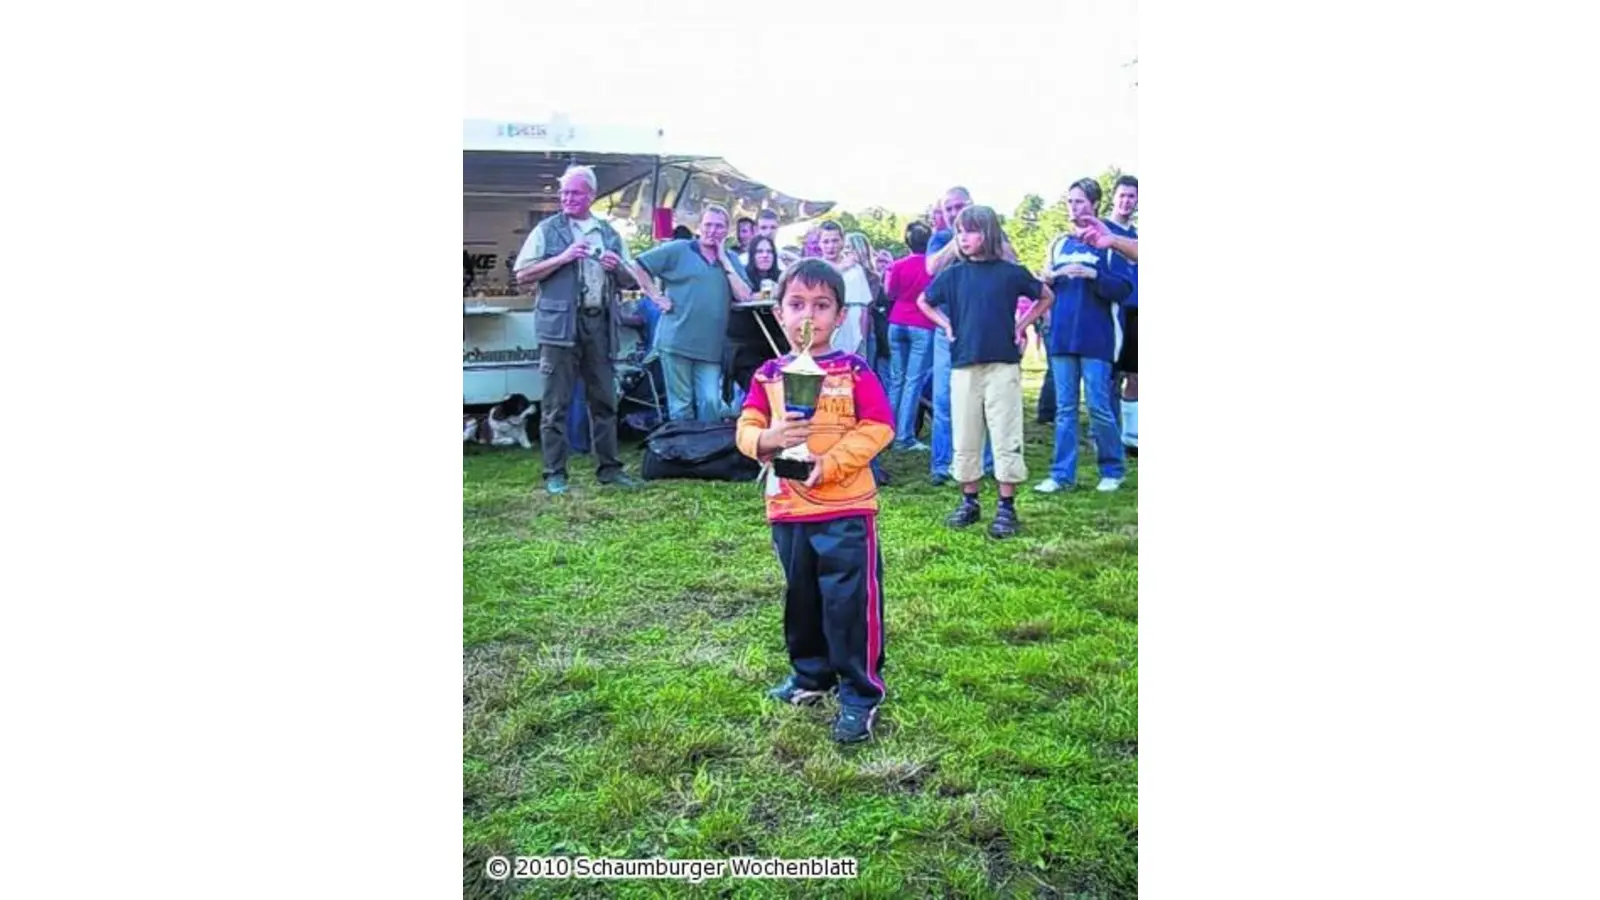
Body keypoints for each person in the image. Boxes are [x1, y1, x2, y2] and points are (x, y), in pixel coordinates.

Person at [734, 259, 895, 744]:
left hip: (845, 508)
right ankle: (810, 676)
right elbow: (744, 428)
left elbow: (879, 426)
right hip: (787, 507)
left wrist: (833, 463)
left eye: (821, 306)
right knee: (801, 596)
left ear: (840, 315)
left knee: (848, 600)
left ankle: (859, 691)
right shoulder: (768, 374)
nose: (809, 316)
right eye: (797, 304)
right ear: (779, 313)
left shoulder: (853, 370)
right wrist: (768, 438)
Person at [918, 205, 1051, 538]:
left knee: (1006, 433)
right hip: (964, 366)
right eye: (959, 231)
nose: (963, 237)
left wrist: (1021, 325)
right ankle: (970, 500)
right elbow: (924, 301)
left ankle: (1006, 507)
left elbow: (1045, 295)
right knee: (965, 434)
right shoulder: (952, 275)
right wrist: (947, 325)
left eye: (971, 231)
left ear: (988, 233)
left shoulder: (1010, 273)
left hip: (1002, 364)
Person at [511, 164, 644, 495]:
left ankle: (609, 468)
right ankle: (555, 472)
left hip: (599, 324)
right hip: (559, 326)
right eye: (564, 192)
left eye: (574, 192)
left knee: (604, 401)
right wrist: (563, 257)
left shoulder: (608, 233)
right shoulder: (547, 230)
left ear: (591, 196)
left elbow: (633, 280)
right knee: (556, 403)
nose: (567, 198)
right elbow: (522, 274)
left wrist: (619, 269)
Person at [1034, 178, 1133, 494]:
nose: (1073, 208)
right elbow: (1045, 286)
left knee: (1098, 405)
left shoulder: (1107, 241)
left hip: (1097, 336)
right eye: (1069, 202)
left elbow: (1124, 288)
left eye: (1079, 202)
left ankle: (1112, 469)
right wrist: (1048, 278)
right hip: (1062, 336)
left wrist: (1094, 275)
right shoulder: (1059, 243)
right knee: (1064, 408)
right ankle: (1062, 474)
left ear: (1094, 205)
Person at [631, 204, 753, 422]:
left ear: (727, 231)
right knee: (681, 406)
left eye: (718, 226)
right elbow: (639, 265)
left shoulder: (732, 260)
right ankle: (683, 453)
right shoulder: (679, 249)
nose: (712, 231)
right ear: (698, 227)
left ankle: (708, 452)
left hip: (711, 348)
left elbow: (745, 295)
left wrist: (724, 259)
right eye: (708, 225)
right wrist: (656, 296)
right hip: (676, 340)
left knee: (711, 402)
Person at [923, 186, 1000, 485]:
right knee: (943, 399)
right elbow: (931, 268)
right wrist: (958, 242)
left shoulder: (993, 233)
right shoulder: (941, 237)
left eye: (958, 207)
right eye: (948, 209)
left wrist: (982, 239)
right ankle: (943, 464)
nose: (953, 213)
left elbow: (1011, 261)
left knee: (986, 398)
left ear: (971, 205)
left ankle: (988, 461)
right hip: (947, 329)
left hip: (984, 329)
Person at [884, 221, 936, 451]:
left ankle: (888, 432)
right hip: (922, 324)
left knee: (896, 380)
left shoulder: (898, 265)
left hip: (896, 322)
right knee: (913, 382)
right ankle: (904, 436)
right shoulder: (932, 266)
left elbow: (890, 293)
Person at [726, 234, 784, 393]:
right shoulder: (742, 278)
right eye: (759, 252)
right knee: (757, 386)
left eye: (769, 251)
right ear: (752, 255)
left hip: (777, 345)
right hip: (747, 346)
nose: (765, 255)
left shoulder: (782, 278)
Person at [1106, 175, 1139, 455]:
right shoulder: (1101, 229)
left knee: (1136, 375)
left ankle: (1131, 436)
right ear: (1113, 197)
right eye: (1123, 195)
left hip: (1136, 310)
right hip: (1109, 308)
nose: (1127, 201)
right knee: (1108, 375)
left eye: (1132, 196)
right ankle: (1105, 433)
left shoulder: (1138, 236)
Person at [818, 222, 872, 357]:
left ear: (842, 241)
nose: (831, 246)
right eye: (826, 242)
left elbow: (863, 307)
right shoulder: (815, 269)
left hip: (854, 332)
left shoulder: (856, 270)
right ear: (820, 244)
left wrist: (862, 338)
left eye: (835, 241)